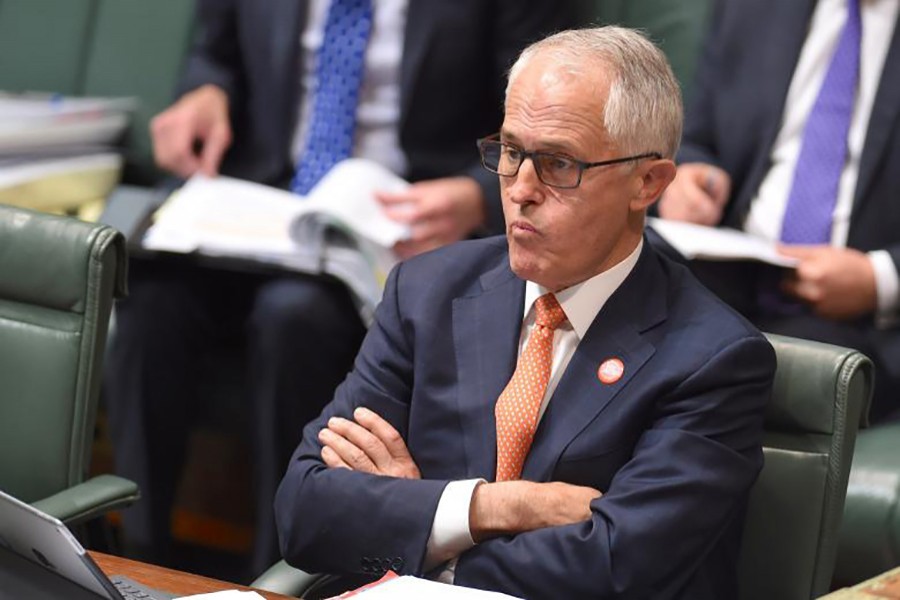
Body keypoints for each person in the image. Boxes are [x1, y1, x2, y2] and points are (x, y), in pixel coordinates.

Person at [274, 26, 776, 599]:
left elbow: (616, 570)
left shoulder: (713, 357)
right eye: (511, 153)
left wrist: (417, 521)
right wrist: (497, 506)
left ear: (648, 182)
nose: (520, 189)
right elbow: (306, 510)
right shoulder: (428, 291)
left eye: (559, 164)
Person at [104, 0, 576, 577]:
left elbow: (549, 104)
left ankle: (276, 575)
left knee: (293, 317)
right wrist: (206, 90)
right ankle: (137, 564)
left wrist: (480, 190)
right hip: (264, 200)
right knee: (152, 298)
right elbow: (215, 52)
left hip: (401, 218)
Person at [656, 0, 900, 421]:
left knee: (715, 366)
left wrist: (880, 279)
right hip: (728, 269)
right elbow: (697, 137)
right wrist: (691, 176)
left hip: (859, 323)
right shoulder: (754, 8)